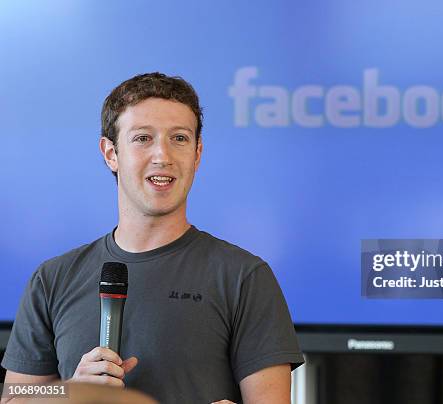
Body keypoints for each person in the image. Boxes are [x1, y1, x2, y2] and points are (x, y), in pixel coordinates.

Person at [1, 73, 304, 403]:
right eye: (143, 138)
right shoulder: (52, 279)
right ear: (110, 153)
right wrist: (70, 394)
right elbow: (16, 398)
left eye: (179, 138)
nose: (163, 155)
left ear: (197, 153)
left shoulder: (243, 277)